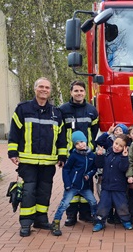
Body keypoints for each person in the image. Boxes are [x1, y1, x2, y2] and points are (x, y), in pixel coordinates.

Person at [8, 77, 67, 237]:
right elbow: (14, 132)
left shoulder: (56, 112)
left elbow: (62, 137)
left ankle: (41, 220)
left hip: (48, 162)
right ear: (35, 89)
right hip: (28, 161)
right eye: (41, 86)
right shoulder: (23, 109)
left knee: (44, 191)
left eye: (47, 87)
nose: (44, 89)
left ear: (50, 91)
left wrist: (62, 155)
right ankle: (26, 223)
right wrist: (12, 152)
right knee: (28, 192)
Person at [59, 80, 99, 227]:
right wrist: (62, 154)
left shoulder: (91, 110)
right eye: (76, 91)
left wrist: (92, 147)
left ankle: (85, 213)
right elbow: (60, 134)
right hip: (71, 155)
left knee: (87, 184)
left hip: (87, 156)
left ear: (85, 92)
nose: (79, 93)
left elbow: (95, 131)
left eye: (81, 91)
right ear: (71, 92)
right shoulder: (63, 110)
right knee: (71, 185)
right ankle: (71, 215)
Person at [51, 131, 98, 236]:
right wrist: (67, 184)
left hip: (85, 186)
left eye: (82, 141)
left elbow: (94, 168)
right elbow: (66, 170)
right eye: (77, 143)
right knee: (64, 204)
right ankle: (56, 222)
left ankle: (96, 218)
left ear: (85, 141)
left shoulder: (91, 155)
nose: (80, 144)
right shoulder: (73, 155)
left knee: (93, 202)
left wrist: (89, 175)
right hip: (73, 186)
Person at [92, 134, 133, 232]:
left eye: (120, 146)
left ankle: (126, 220)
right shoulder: (108, 153)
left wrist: (124, 157)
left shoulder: (124, 157)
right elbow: (99, 165)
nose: (117, 147)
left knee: (122, 205)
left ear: (124, 148)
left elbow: (123, 168)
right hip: (106, 186)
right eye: (116, 143)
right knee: (103, 205)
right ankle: (100, 222)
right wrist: (99, 155)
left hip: (119, 187)